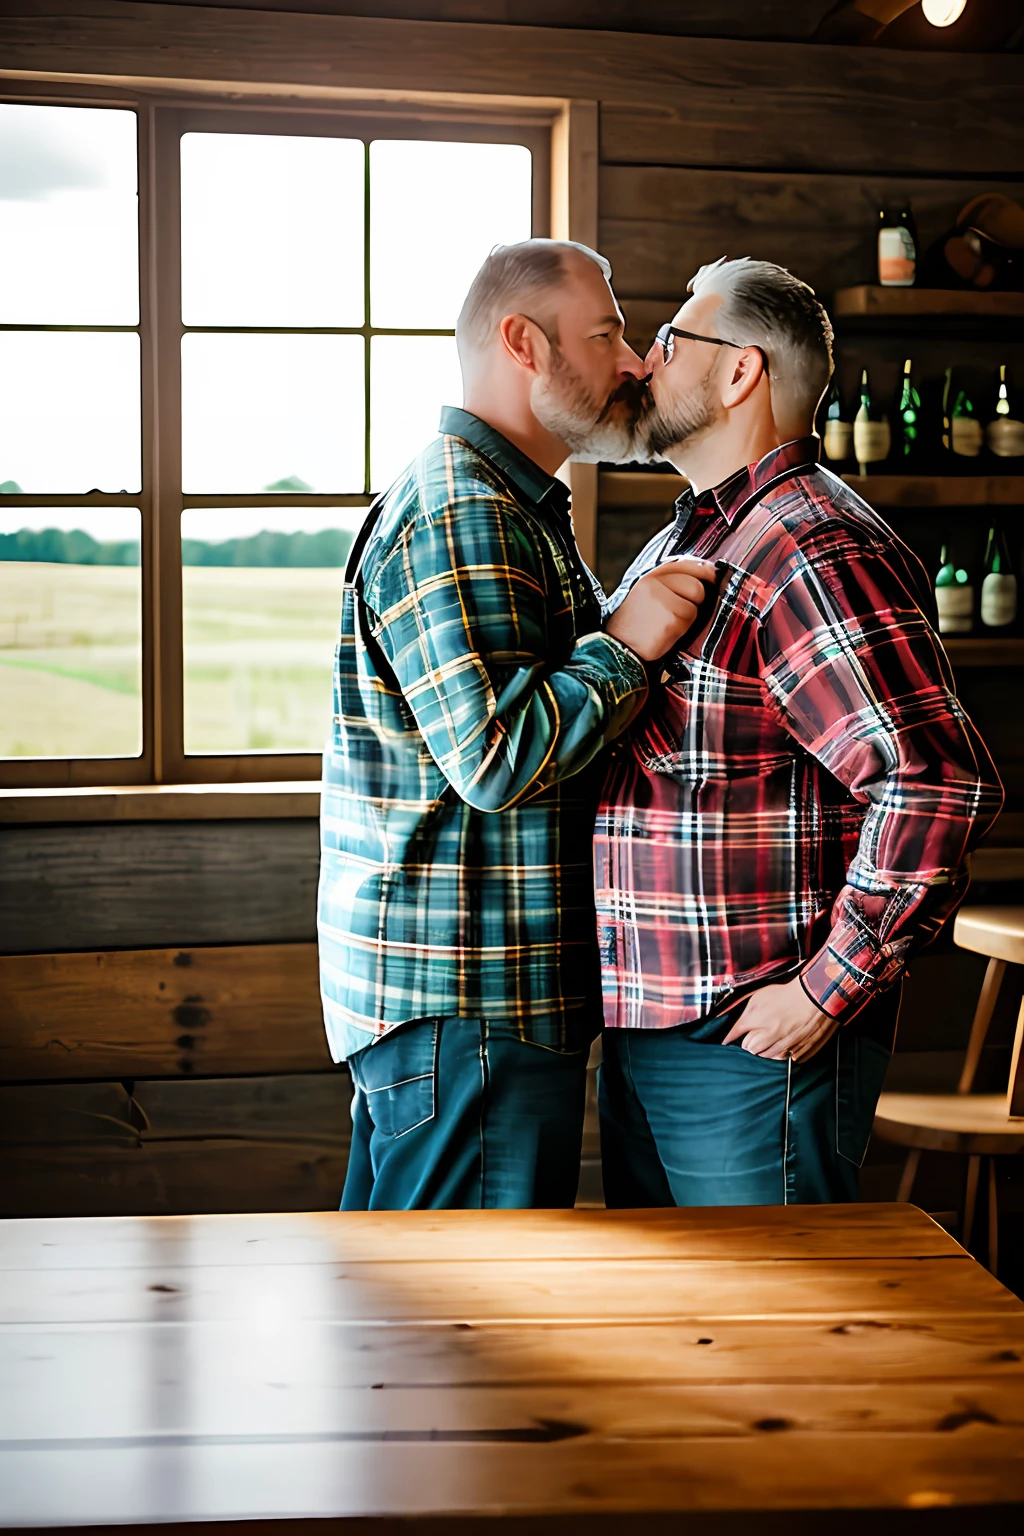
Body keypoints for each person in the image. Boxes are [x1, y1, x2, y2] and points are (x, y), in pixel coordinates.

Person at [595, 257, 1003, 1208]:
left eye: (670, 342)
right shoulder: (694, 537)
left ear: (741, 372)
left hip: (749, 1037)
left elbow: (933, 781)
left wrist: (828, 988)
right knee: (674, 1342)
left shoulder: (810, 546)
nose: (645, 364)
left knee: (765, 1347)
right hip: (653, 1022)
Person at [318, 238, 714, 1211]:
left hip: (468, 1004)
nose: (632, 361)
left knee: (407, 1319)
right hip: (472, 1001)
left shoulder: (510, 504)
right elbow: (495, 759)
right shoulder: (464, 508)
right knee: (461, 1336)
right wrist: (627, 643)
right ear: (522, 343)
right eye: (608, 332)